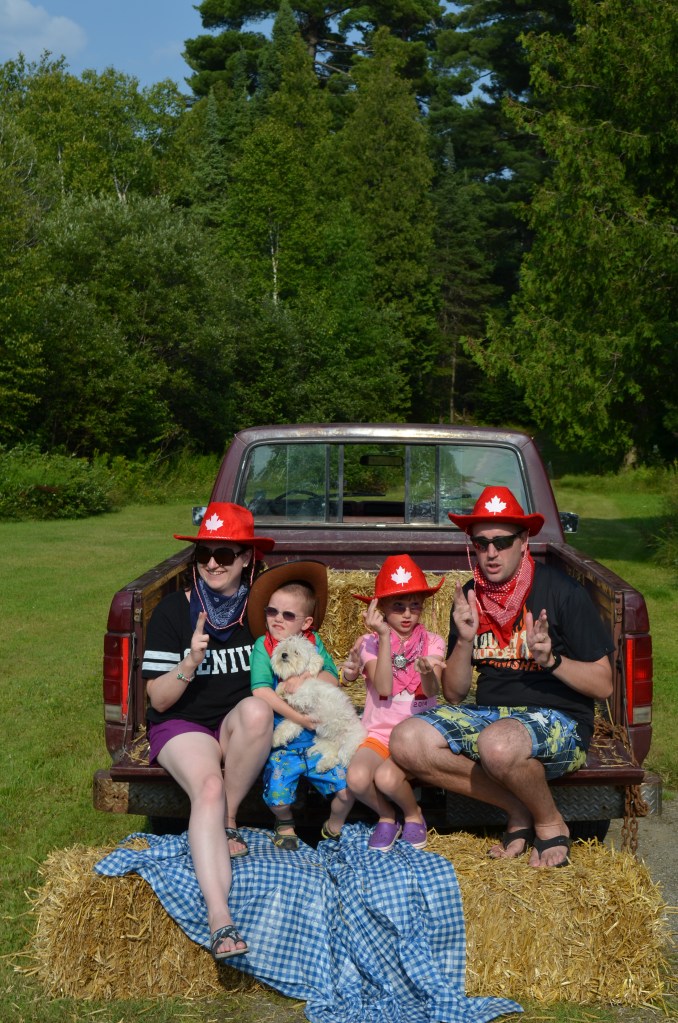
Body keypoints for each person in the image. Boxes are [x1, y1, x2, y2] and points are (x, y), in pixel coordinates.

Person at [388, 487, 614, 869]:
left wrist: (551, 661)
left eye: (502, 541)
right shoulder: (469, 597)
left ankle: (549, 821)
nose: (491, 552)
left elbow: (604, 684)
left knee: (498, 744)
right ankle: (518, 808)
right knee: (406, 740)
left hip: (559, 721)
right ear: (472, 545)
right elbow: (456, 694)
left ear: (524, 541)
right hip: (493, 718)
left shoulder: (561, 592)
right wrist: (465, 640)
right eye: (481, 542)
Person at [142, 502, 275, 961]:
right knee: (208, 784)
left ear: (246, 558)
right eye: (204, 554)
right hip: (183, 724)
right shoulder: (172, 612)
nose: (213, 563)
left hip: (234, 723)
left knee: (258, 711)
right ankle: (220, 920)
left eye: (224, 552)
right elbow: (157, 700)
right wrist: (190, 661)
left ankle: (229, 820)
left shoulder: (261, 613)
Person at [342, 555, 446, 852]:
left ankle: (414, 814)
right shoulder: (368, 643)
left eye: (415, 605)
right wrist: (384, 637)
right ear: (380, 609)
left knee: (387, 778)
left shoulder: (433, 642)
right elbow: (384, 687)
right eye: (398, 606)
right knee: (358, 778)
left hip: (416, 734)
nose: (407, 614)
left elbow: (432, 689)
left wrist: (427, 673)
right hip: (378, 733)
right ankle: (387, 816)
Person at [248, 561, 354, 850]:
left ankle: (334, 823)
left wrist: (306, 676)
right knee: (278, 792)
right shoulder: (264, 646)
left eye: (288, 614)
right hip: (284, 737)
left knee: (346, 789)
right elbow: (260, 691)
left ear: (306, 623)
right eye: (272, 612)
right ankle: (284, 822)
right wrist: (299, 718)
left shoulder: (314, 642)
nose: (277, 619)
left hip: (321, 739)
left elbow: (333, 678)